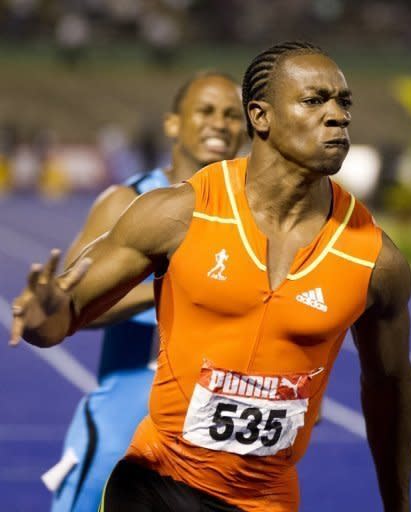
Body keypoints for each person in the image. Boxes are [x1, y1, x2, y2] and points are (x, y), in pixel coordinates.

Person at [11, 41, 411, 512]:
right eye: (314, 100)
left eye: (343, 102)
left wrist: (398, 505)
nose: (338, 116)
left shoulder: (374, 259)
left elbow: (390, 385)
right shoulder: (178, 214)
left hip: (267, 500)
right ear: (261, 116)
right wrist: (44, 315)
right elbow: (61, 322)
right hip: (157, 484)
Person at [46, 71, 246, 512]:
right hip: (121, 435)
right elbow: (71, 310)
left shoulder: (253, 219)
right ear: (173, 123)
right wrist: (173, 285)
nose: (220, 123)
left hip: (209, 449)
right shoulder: (127, 201)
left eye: (233, 115)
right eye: (206, 111)